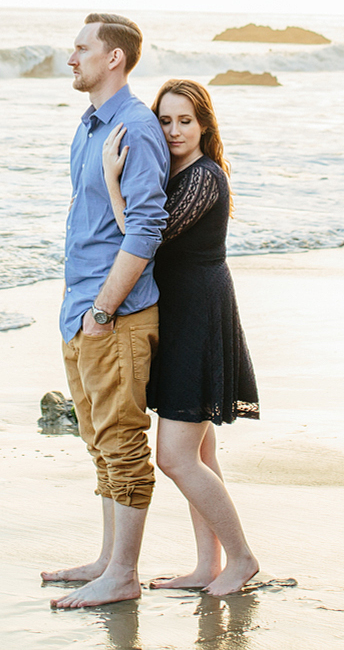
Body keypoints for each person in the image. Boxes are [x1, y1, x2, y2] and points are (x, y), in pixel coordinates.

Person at [101, 78, 261, 595]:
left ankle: (242, 558)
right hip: (179, 314)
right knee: (202, 454)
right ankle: (207, 566)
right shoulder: (175, 173)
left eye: (185, 121)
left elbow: (143, 235)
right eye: (165, 121)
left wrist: (111, 180)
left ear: (204, 125)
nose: (173, 131)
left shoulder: (205, 178)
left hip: (197, 316)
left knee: (175, 457)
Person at [39, 13, 170, 609]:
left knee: (121, 440)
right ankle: (106, 558)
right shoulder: (91, 125)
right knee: (96, 437)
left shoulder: (135, 128)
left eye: (81, 48)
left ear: (113, 58)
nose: (72, 58)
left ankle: (123, 574)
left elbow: (146, 227)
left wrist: (102, 309)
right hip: (83, 307)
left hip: (112, 312)